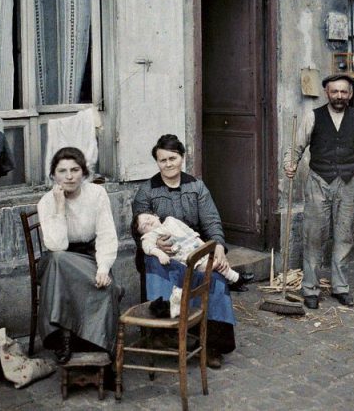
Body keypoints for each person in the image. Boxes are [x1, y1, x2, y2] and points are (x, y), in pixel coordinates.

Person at [132, 134, 253, 368]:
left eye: (172, 158)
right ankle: (164, 334)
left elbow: (212, 222)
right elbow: (138, 230)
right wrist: (155, 246)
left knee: (215, 278)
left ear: (182, 158)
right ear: (156, 162)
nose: (168, 164)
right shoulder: (146, 191)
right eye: (162, 160)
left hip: (192, 250)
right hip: (158, 254)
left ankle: (211, 345)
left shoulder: (196, 186)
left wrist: (217, 246)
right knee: (161, 267)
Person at [283, 74, 354, 310]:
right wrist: (290, 164)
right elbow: (295, 146)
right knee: (314, 236)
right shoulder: (313, 117)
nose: (339, 96)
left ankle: (341, 287)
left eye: (344, 92)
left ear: (350, 94)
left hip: (349, 184)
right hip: (318, 182)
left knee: (344, 236)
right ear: (327, 93)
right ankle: (310, 289)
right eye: (334, 92)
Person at [37, 147, 122, 364]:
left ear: (83, 173)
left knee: (106, 287)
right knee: (58, 260)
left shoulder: (97, 194)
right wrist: (59, 207)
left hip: (90, 256)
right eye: (62, 171)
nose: (69, 176)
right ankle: (63, 337)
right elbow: (56, 245)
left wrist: (103, 268)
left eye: (75, 170)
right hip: (57, 261)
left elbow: (106, 234)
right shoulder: (46, 202)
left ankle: (97, 344)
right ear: (53, 176)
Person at [132, 212, 251, 291]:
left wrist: (205, 246)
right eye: (144, 226)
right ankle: (236, 278)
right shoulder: (150, 235)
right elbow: (147, 246)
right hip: (188, 259)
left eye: (148, 218)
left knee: (217, 258)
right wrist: (159, 253)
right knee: (210, 264)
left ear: (155, 215)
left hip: (196, 246)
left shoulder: (170, 220)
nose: (148, 223)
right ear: (144, 233)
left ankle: (234, 279)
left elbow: (189, 232)